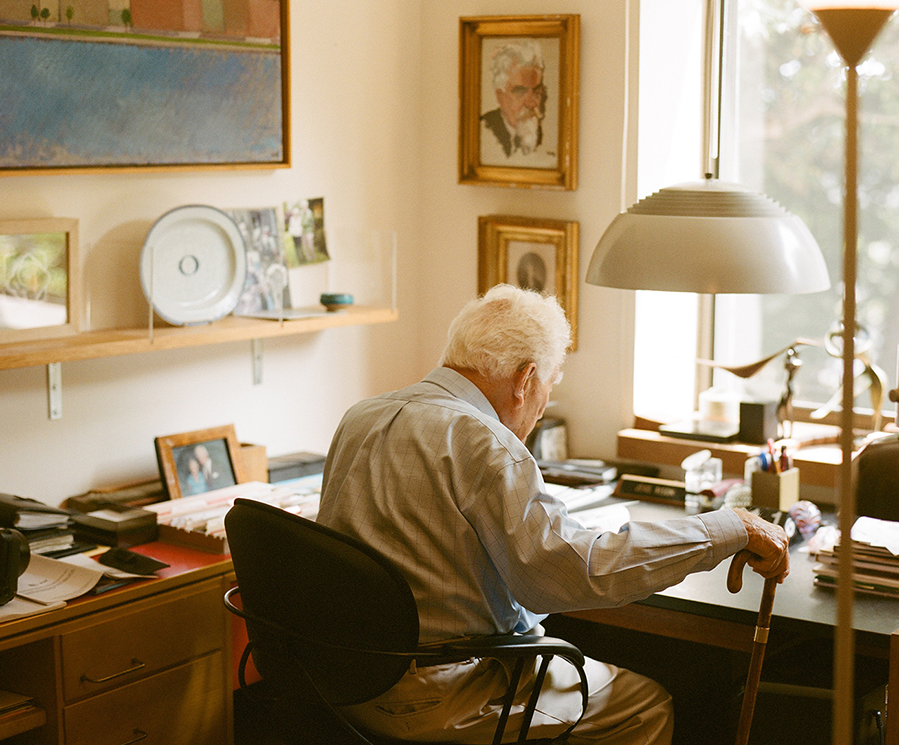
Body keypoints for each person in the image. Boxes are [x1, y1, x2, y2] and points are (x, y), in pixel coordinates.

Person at [316, 284, 789, 745]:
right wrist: (729, 527)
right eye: (547, 391)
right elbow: (571, 574)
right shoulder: (488, 443)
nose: (539, 412)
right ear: (525, 380)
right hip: (442, 693)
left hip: (343, 680)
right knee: (644, 706)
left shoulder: (362, 416)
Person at [480, 40, 557, 167]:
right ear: (500, 96)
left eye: (537, 92)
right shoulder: (484, 134)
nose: (531, 103)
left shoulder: (545, 139)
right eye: (520, 93)